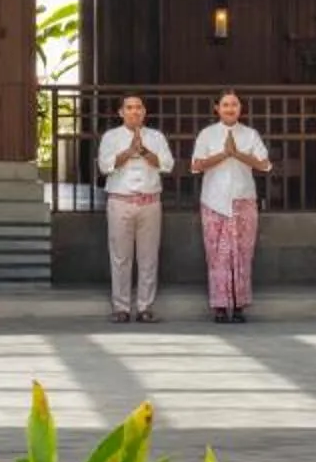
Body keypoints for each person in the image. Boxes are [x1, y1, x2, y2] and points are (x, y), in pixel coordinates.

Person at [189, 90, 271, 323]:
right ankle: (220, 306)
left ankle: (238, 306)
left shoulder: (250, 134)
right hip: (214, 200)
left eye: (234, 104)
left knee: (242, 254)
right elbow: (196, 166)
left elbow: (265, 165)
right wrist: (224, 154)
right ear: (217, 108)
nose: (230, 109)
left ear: (240, 108)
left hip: (243, 199)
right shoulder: (207, 134)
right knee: (217, 255)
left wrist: (238, 154)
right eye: (225, 105)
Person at [95, 94, 173, 323]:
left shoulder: (156, 137)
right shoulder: (111, 137)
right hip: (121, 201)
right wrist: (129, 151)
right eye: (129, 108)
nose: (134, 111)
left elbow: (168, 165)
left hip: (150, 202)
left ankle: (145, 307)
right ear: (121, 112)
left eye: (138, 107)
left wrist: (145, 152)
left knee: (148, 257)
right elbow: (104, 166)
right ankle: (121, 307)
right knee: (120, 257)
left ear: (144, 111)